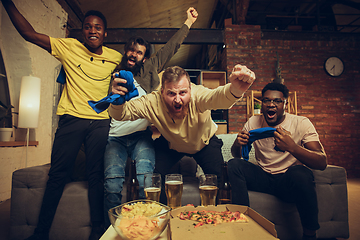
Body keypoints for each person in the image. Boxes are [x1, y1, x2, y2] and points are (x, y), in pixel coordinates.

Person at [1, 1, 122, 240]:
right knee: (57, 174)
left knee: (95, 175)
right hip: (71, 120)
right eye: (88, 26)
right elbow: (28, 34)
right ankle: (41, 232)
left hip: (99, 122)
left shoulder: (115, 57)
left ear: (105, 33)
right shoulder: (68, 47)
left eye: (98, 27)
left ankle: (98, 230)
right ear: (83, 31)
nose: (92, 30)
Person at [103, 7, 198, 226]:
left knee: (149, 183)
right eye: (131, 50)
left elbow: (171, 47)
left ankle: (146, 226)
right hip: (115, 136)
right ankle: (114, 229)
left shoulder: (151, 68)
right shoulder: (115, 74)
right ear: (126, 51)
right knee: (111, 185)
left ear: (145, 58)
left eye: (139, 52)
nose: (133, 54)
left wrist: (188, 22)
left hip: (141, 136)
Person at [109, 64, 256, 204]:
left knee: (221, 181)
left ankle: (217, 222)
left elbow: (217, 98)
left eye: (183, 93)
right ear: (162, 92)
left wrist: (235, 90)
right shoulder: (152, 101)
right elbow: (122, 114)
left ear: (190, 90)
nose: (177, 100)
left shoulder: (198, 95)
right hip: (171, 145)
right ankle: (163, 219)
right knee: (155, 180)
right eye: (171, 93)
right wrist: (116, 100)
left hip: (204, 143)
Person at [227, 82, 327, 240]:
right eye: (266, 100)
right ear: (262, 104)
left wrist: (293, 147)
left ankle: (309, 235)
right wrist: (238, 144)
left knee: (301, 173)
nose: (271, 105)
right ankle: (241, 225)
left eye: (277, 101)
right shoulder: (253, 122)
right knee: (233, 165)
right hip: (263, 178)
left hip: (287, 181)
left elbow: (322, 162)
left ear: (285, 103)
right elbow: (236, 155)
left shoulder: (301, 123)